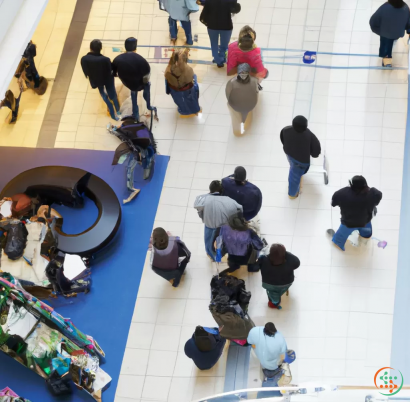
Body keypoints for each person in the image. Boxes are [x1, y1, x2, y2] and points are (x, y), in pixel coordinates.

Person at [327, 176, 382, 251]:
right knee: (366, 234)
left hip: (348, 223)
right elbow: (379, 195)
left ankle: (339, 244)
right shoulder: (372, 194)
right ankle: (364, 242)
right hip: (365, 222)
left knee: (338, 239)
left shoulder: (342, 193)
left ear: (351, 184)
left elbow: (333, 203)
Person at [194, 180, 243, 261]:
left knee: (208, 242)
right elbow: (240, 208)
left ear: (210, 190)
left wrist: (203, 217)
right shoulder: (229, 200)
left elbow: (198, 208)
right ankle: (221, 255)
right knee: (223, 242)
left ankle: (211, 255)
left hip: (209, 225)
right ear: (222, 191)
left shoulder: (204, 199)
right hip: (223, 226)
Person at [280, 116, 321, 199]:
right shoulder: (310, 135)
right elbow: (316, 150)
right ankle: (292, 194)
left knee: (293, 169)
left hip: (289, 155)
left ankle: (293, 193)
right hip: (302, 161)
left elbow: (282, 139)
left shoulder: (286, 130)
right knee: (294, 177)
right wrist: (313, 154)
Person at [112, 38, 152, 121]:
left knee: (134, 95)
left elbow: (114, 73)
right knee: (147, 86)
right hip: (140, 83)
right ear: (135, 48)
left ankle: (135, 114)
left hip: (129, 84)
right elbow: (147, 73)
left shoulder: (117, 59)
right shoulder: (141, 60)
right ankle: (149, 106)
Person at [81, 39, 121, 121]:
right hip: (107, 80)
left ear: (90, 48)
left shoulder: (84, 59)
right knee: (112, 94)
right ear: (100, 48)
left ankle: (111, 111)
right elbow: (111, 70)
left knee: (103, 94)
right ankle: (117, 109)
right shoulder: (106, 59)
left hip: (96, 80)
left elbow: (86, 72)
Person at [198, 0, 240, 68]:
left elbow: (204, 9)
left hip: (212, 26)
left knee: (214, 44)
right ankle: (222, 57)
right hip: (226, 25)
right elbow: (236, 8)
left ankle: (218, 60)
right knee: (224, 45)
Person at [258, 244, 300, 310]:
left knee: (272, 292)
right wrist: (285, 253)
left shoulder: (264, 260)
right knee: (280, 289)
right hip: (286, 283)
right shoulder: (289, 261)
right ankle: (278, 296)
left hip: (269, 284)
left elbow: (256, 266)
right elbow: (297, 263)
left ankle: (274, 302)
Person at [247, 322, 287, 391]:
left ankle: (265, 383)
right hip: (272, 366)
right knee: (273, 375)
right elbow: (283, 355)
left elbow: (249, 342)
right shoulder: (279, 339)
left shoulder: (254, 331)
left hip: (259, 360)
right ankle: (271, 386)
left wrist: (256, 347)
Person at [370, 0, 410, 67]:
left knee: (385, 43)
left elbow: (373, 21)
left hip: (385, 33)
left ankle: (387, 59)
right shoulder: (405, 7)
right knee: (392, 38)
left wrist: (379, 31)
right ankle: (392, 39)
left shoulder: (384, 7)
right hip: (398, 33)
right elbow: (408, 23)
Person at [165, 48, 201, 117]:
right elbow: (191, 79)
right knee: (195, 78)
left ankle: (183, 109)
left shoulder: (168, 71)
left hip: (176, 90)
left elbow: (169, 82)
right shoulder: (189, 69)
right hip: (188, 89)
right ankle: (194, 109)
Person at [226, 63, 259, 136]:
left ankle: (242, 130)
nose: (243, 75)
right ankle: (241, 129)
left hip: (242, 106)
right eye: (242, 73)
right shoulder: (254, 81)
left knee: (246, 118)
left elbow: (227, 94)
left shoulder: (232, 82)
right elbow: (257, 92)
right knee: (239, 118)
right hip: (244, 106)